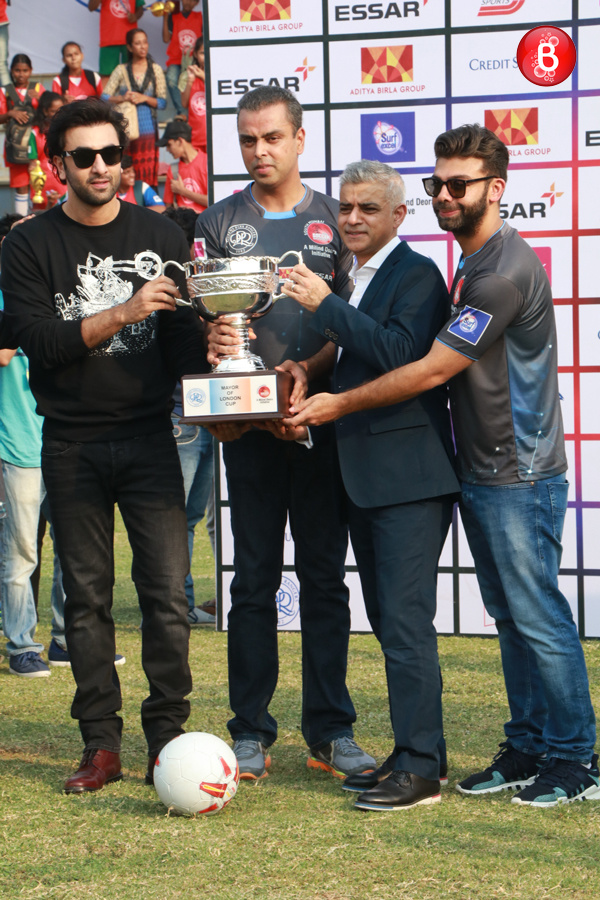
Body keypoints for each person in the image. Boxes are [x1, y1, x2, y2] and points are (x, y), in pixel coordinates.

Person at [286, 124, 599, 809]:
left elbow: (427, 368)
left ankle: (576, 757)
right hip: (482, 468)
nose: (447, 196)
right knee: (512, 617)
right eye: (439, 184)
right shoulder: (470, 263)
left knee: (537, 614)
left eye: (460, 184)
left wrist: (335, 405)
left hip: (521, 469)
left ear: (496, 188)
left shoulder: (503, 270)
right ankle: (527, 745)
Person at [0, 98, 207, 794]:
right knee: (85, 598)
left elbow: (179, 344)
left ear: (124, 160)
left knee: (166, 598)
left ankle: (168, 739)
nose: (98, 167)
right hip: (71, 443)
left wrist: (221, 348)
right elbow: (43, 345)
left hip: (151, 437)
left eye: (110, 155)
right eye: (83, 156)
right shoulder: (27, 245)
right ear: (60, 165)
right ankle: (101, 746)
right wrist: (123, 308)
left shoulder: (161, 233)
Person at [196, 86, 375, 781]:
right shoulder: (218, 222)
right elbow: (203, 326)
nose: (259, 150)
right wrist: (216, 343)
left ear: (301, 139)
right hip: (250, 430)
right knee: (252, 583)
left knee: (325, 580)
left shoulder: (340, 220)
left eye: (272, 137)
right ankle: (250, 730)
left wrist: (309, 370)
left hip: (319, 424)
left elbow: (353, 324)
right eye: (247, 139)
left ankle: (331, 731)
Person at [279, 160, 459, 810]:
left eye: (366, 210)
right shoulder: (354, 277)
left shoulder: (416, 274)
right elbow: (354, 354)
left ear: (396, 215)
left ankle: (419, 771)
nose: (352, 219)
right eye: (346, 209)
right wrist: (307, 368)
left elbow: (400, 355)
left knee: (405, 624)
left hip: (408, 480)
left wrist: (324, 308)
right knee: (388, 620)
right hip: (366, 479)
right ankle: (416, 754)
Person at [163, 205, 215, 626]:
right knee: (176, 516)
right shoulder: (173, 285)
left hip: (212, 409)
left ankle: (182, 602)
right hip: (183, 411)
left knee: (191, 515)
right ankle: (171, 604)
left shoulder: (202, 282)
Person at [102, 28, 166, 187]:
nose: (143, 46)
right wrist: (122, 98)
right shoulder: (121, 70)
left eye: (145, 42)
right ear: (129, 47)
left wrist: (144, 98)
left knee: (147, 173)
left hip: (148, 130)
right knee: (126, 169)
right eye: (138, 43)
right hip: (127, 129)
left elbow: (163, 103)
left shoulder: (155, 69)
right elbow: (104, 97)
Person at [0, 54, 44, 216]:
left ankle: (38, 221)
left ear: (31, 71)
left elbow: (48, 111)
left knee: (39, 181)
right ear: (11, 71)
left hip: (37, 142)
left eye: (25, 70)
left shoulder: (38, 88)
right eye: (17, 70)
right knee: (21, 184)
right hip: (16, 143)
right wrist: (10, 113)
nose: (21, 74)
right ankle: (21, 221)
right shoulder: (5, 90)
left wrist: (40, 99)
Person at [88, 0, 144, 88]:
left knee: (132, 74)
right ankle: (106, 101)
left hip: (130, 40)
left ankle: (132, 100)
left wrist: (135, 16)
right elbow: (91, 7)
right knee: (107, 76)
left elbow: (140, 8)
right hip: (109, 38)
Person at [161, 0, 203, 119]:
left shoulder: (200, 17)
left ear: (196, 3)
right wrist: (165, 17)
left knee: (195, 83)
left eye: (191, 0)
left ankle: (193, 111)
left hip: (194, 61)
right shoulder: (173, 18)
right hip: (176, 59)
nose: (187, 2)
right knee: (171, 79)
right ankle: (183, 113)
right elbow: (165, 39)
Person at [28, 92, 67, 209]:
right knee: (40, 219)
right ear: (45, 111)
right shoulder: (34, 133)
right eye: (54, 111)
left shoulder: (65, 132)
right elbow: (32, 163)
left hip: (62, 181)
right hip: (42, 183)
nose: (58, 115)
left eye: (61, 111)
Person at [159, 119, 207, 213]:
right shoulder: (173, 169)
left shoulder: (207, 164)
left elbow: (215, 201)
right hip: (182, 225)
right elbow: (168, 207)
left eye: (169, 145)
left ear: (180, 141)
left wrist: (183, 191)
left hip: (204, 222)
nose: (167, 150)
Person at [180, 37, 206, 152]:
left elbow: (218, 98)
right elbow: (184, 103)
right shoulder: (186, 75)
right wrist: (190, 80)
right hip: (195, 136)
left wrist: (203, 77)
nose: (205, 57)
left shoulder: (219, 74)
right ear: (195, 54)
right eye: (202, 53)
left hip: (213, 134)